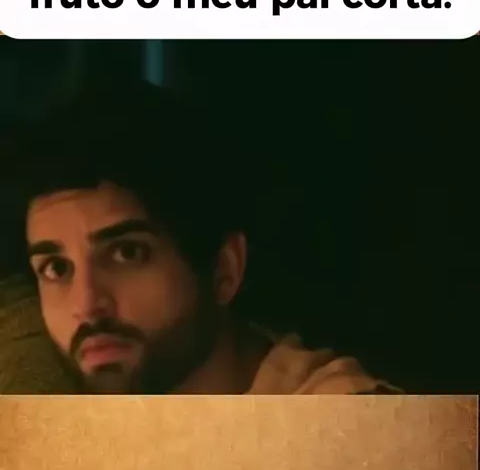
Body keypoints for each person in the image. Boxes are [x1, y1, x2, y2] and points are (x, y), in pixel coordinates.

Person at [5, 82, 397, 395]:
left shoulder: (344, 424)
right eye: (56, 269)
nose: (86, 305)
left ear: (224, 270)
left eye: (127, 253)